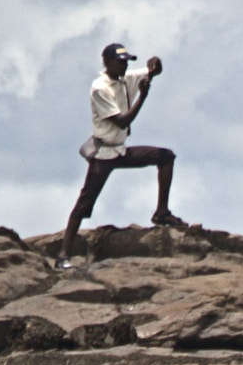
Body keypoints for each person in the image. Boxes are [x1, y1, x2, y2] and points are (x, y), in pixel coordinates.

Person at [58, 42, 188, 267]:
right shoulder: (100, 88)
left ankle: (162, 212)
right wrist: (143, 97)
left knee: (166, 157)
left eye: (127, 61)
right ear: (107, 62)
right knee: (84, 204)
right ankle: (63, 256)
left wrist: (155, 64)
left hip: (121, 150)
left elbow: (154, 70)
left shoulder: (124, 78)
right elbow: (121, 122)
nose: (124, 66)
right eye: (120, 62)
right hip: (104, 154)